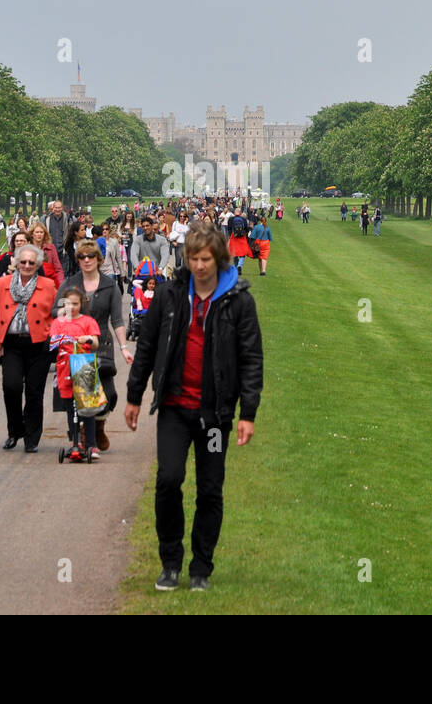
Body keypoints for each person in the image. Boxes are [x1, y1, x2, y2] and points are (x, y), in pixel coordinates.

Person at [125, 219, 264, 592]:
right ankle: (170, 562)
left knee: (210, 489)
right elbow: (148, 346)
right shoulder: (171, 295)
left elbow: (251, 358)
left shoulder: (238, 301)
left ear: (218, 259)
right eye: (193, 259)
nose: (199, 266)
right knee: (168, 481)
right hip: (173, 407)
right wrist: (135, 395)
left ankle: (201, 567)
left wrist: (247, 413)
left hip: (215, 415)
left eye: (206, 259)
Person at [59, 240, 133, 453]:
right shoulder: (70, 283)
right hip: (76, 347)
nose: (87, 260)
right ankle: (83, 435)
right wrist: (67, 315)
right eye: (82, 257)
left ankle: (98, 425)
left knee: (109, 394)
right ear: (78, 260)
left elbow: (117, 320)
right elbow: (56, 310)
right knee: (83, 392)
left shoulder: (110, 285)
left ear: (99, 259)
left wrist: (124, 347)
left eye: (91, 256)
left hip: (102, 344)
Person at [0, 243, 58, 452]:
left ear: (37, 265)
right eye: (23, 262)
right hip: (11, 344)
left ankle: (31, 438)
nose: (27, 265)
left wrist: (52, 340)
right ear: (16, 263)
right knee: (11, 387)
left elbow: (56, 316)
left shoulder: (48, 285)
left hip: (38, 345)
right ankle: (14, 430)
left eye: (31, 262)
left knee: (34, 392)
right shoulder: (3, 284)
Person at [49, 286, 101, 461]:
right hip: (65, 366)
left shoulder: (87, 321)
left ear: (81, 304)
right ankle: (75, 442)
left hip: (83, 365)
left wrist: (86, 339)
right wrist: (60, 340)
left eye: (75, 304)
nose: (72, 307)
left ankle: (91, 444)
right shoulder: (58, 323)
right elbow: (52, 342)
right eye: (68, 304)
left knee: (87, 408)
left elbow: (95, 342)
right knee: (71, 407)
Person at [27, 221, 64, 287]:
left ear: (44, 234)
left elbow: (58, 269)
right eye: (37, 232)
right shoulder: (27, 249)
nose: (39, 234)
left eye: (41, 232)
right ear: (32, 234)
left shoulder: (51, 248)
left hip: (49, 282)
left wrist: (60, 284)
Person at [45, 200, 70, 277]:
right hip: (51, 250)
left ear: (62, 208)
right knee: (51, 272)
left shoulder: (67, 219)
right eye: (56, 207)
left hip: (63, 250)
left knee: (63, 273)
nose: (57, 209)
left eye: (59, 208)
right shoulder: (48, 219)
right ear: (53, 208)